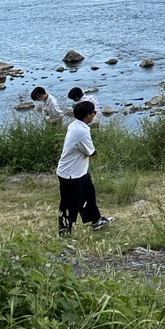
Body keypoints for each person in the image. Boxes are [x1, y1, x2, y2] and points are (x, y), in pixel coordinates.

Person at [56, 100, 114, 235]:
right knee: (69, 204)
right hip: (71, 175)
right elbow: (90, 152)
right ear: (87, 115)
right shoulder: (81, 132)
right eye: (93, 112)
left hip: (80, 171)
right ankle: (64, 232)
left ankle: (96, 220)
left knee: (89, 195)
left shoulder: (75, 125)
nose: (95, 114)